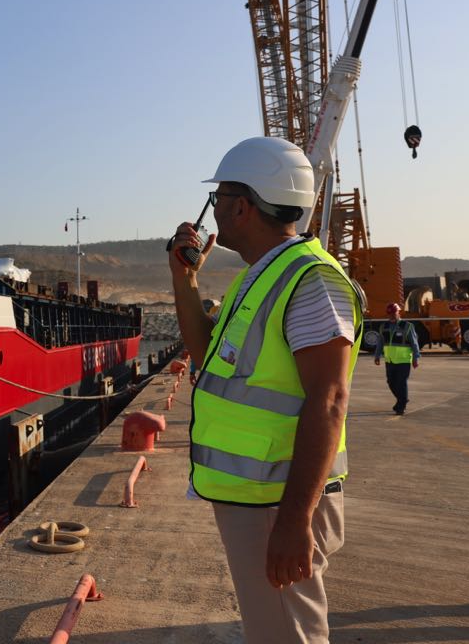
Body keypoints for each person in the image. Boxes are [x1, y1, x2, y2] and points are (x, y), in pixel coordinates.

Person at [167, 136, 361, 644]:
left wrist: (296, 519)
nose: (213, 212)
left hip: (280, 502)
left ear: (241, 205)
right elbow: (208, 353)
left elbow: (330, 400)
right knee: (271, 629)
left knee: (287, 634)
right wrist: (183, 279)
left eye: (218, 199)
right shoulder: (261, 277)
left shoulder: (310, 282)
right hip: (257, 497)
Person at [373, 302, 420, 415]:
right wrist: (377, 355)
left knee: (401, 382)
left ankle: (401, 406)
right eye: (390, 314)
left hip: (403, 360)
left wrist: (415, 357)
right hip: (390, 360)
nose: (392, 316)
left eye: (394, 313)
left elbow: (414, 343)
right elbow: (380, 342)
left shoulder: (407, 326)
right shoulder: (384, 327)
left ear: (399, 312)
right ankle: (402, 399)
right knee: (391, 382)